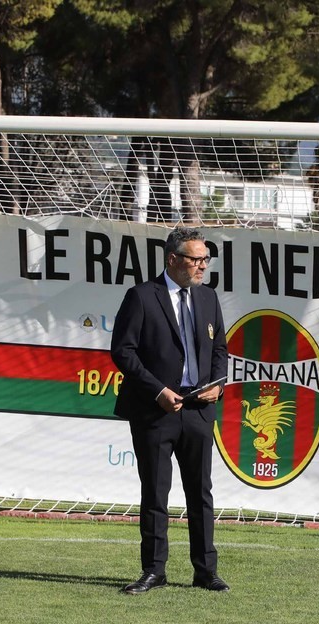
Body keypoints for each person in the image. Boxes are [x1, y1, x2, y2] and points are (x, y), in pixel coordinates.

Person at [110, 226, 229, 594]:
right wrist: (158, 390)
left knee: (200, 492)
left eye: (205, 259)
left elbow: (221, 348)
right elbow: (123, 351)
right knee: (156, 493)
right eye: (196, 259)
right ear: (173, 259)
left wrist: (217, 384)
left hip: (198, 410)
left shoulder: (208, 298)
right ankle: (154, 571)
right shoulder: (142, 296)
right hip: (155, 411)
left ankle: (205, 571)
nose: (202, 266)